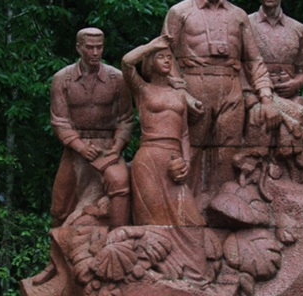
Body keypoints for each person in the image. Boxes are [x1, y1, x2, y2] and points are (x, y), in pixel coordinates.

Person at [161, 0, 277, 199]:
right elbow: (164, 56)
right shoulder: (179, 12)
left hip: (231, 90)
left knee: (227, 153)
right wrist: (181, 93)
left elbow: (254, 60)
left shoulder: (238, 15)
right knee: (189, 152)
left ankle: (221, 210)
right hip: (194, 86)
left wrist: (266, 98)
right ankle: (184, 210)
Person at [48, 27, 133, 227]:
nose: (95, 53)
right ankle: (61, 251)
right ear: (79, 48)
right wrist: (80, 147)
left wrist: (117, 146)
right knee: (60, 208)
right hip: (76, 148)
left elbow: (126, 119)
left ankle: (119, 238)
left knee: (120, 184)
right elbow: (59, 121)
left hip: (108, 147)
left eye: (99, 47)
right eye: (90, 48)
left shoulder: (117, 78)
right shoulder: (63, 79)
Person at [121, 35, 204, 227]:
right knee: (151, 221)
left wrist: (187, 162)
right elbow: (126, 63)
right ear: (150, 61)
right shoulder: (143, 90)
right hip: (149, 158)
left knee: (192, 222)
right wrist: (151, 46)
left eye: (169, 57)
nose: (167, 60)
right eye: (161, 56)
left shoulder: (179, 95)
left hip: (174, 159)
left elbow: (184, 133)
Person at [248, 0, 303, 105]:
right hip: (256, 96)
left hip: (290, 97)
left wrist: (295, 84)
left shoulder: (297, 28)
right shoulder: (246, 24)